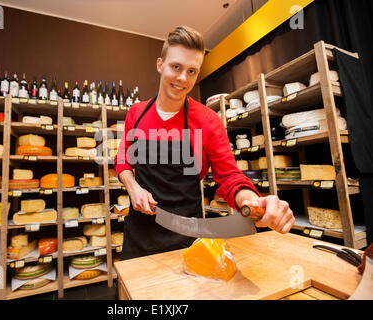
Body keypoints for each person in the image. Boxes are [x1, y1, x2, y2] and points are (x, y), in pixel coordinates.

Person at [114, 25, 295, 260]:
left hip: (186, 237)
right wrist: (133, 187)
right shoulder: (136, 113)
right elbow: (123, 160)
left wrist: (252, 201)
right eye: (176, 67)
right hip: (139, 235)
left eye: (192, 71)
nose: (182, 78)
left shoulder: (208, 120)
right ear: (160, 65)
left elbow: (229, 177)